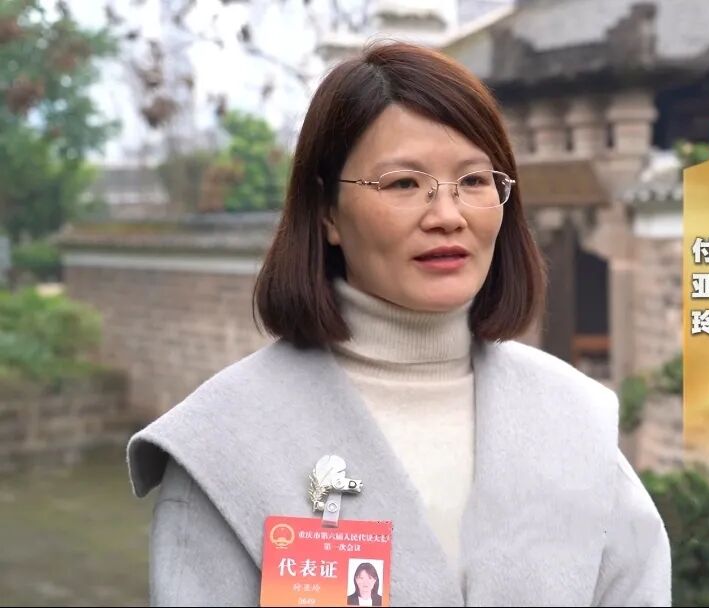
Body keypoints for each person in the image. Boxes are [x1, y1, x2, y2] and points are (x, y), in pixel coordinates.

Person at [126, 41, 671, 607]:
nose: (447, 216)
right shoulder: (226, 444)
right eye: (403, 184)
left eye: (474, 181)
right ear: (327, 211)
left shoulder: (573, 420)